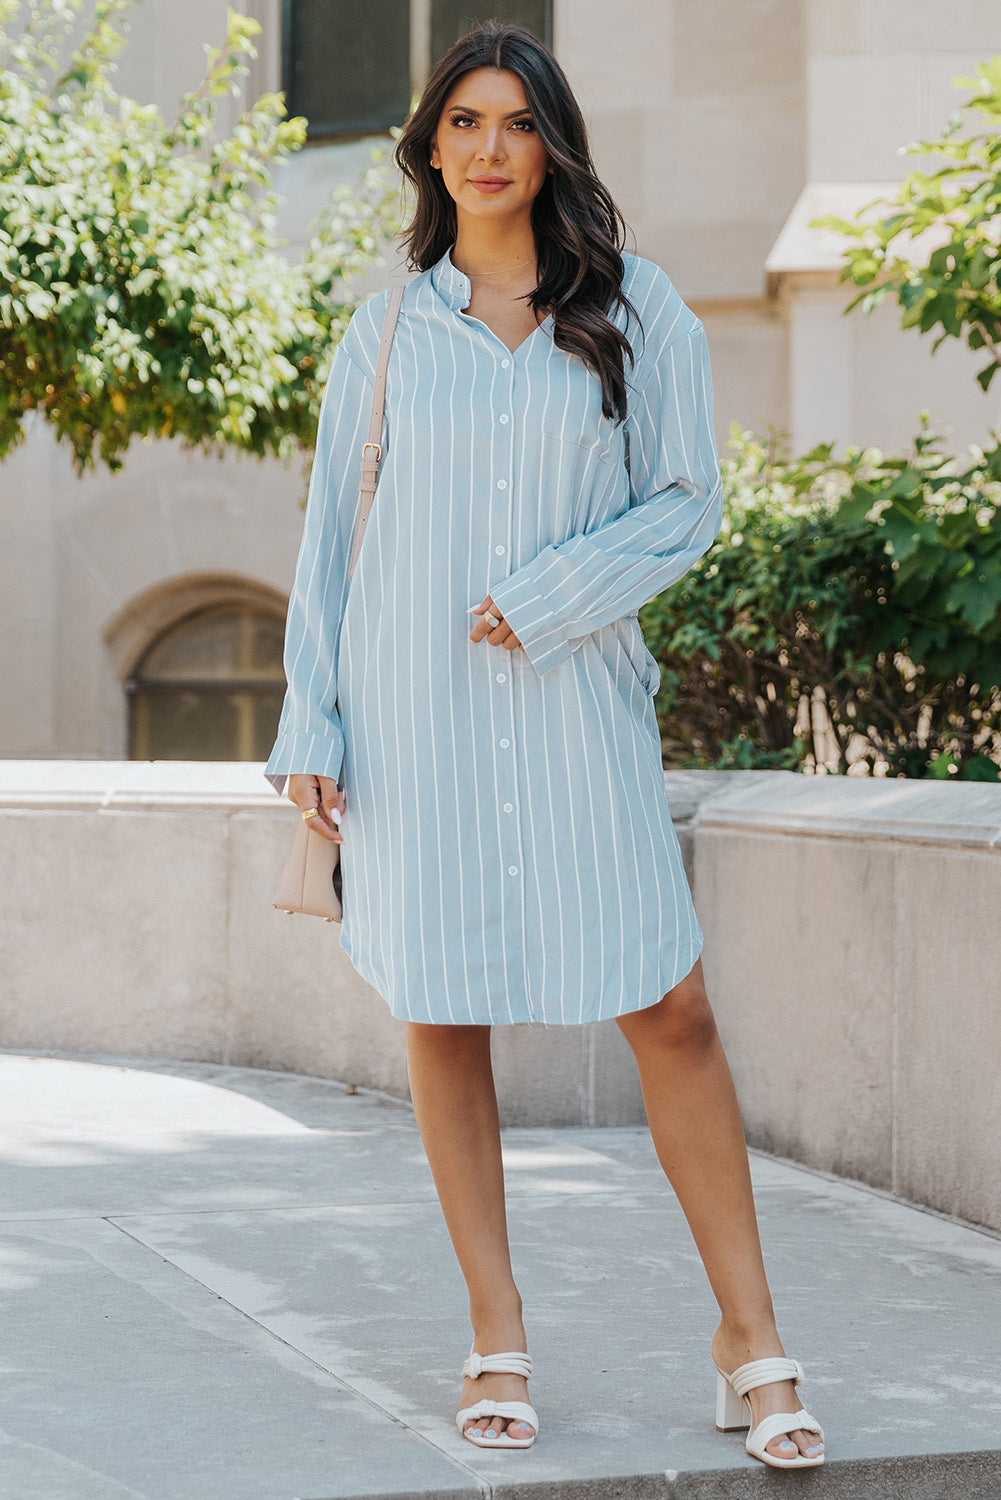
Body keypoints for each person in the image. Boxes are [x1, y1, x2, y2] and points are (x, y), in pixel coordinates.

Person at [264, 20, 825, 1470]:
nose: (488, 147)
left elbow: (690, 502)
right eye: (463, 122)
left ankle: (748, 1340)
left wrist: (555, 593)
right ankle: (494, 1335)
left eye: (516, 121)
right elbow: (331, 546)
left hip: (574, 709)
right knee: (442, 1013)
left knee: (672, 1009)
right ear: (430, 147)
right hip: (411, 721)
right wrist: (308, 726)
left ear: (551, 143)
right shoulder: (384, 332)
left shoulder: (641, 315)